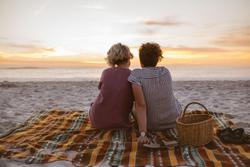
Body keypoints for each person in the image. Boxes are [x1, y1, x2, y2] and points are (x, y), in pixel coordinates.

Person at [128, 42, 181, 143]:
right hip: (173, 120)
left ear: (141, 61)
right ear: (157, 59)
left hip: (151, 125)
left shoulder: (136, 75)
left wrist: (143, 133)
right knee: (175, 100)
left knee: (134, 104)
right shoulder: (165, 71)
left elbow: (141, 105)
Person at [89, 43, 134, 129]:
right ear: (129, 58)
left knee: (94, 103)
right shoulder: (131, 74)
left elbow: (101, 89)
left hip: (96, 121)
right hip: (120, 122)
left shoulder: (105, 72)